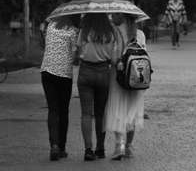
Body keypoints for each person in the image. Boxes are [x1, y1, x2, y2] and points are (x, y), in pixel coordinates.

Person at [104, 14, 147, 160]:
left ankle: (119, 146)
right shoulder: (140, 34)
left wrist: (115, 62)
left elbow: (113, 57)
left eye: (115, 14)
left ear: (122, 16)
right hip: (136, 78)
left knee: (117, 110)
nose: (113, 16)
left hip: (118, 78)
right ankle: (128, 147)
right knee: (132, 112)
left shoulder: (115, 32)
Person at [77, 13, 116, 161]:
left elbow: (79, 51)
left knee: (86, 113)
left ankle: (88, 150)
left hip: (85, 72)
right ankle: (100, 148)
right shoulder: (110, 33)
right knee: (101, 113)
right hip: (103, 73)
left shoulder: (84, 31)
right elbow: (113, 58)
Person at [40, 15, 79, 161]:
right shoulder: (73, 31)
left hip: (47, 72)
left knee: (53, 109)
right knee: (63, 111)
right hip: (64, 75)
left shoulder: (50, 27)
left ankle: (54, 146)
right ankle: (61, 148)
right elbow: (75, 57)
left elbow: (46, 46)